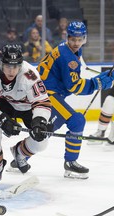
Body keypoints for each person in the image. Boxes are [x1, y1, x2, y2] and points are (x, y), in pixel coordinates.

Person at [36, 21, 114, 179]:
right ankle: (70, 164)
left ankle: (19, 155)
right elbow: (74, 87)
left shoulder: (67, 49)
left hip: (45, 91)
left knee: (46, 130)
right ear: (67, 37)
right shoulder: (68, 57)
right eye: (73, 39)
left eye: (80, 40)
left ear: (84, 39)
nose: (76, 43)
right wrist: (97, 83)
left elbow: (72, 80)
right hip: (48, 94)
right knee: (77, 121)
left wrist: (97, 80)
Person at [0, 44, 52, 186]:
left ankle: (19, 152)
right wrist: (2, 120)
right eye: (8, 66)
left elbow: (42, 102)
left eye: (15, 66)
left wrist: (39, 121)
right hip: (5, 104)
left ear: (21, 64)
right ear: (1, 64)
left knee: (41, 142)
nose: (12, 71)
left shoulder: (30, 76)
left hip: (28, 107)